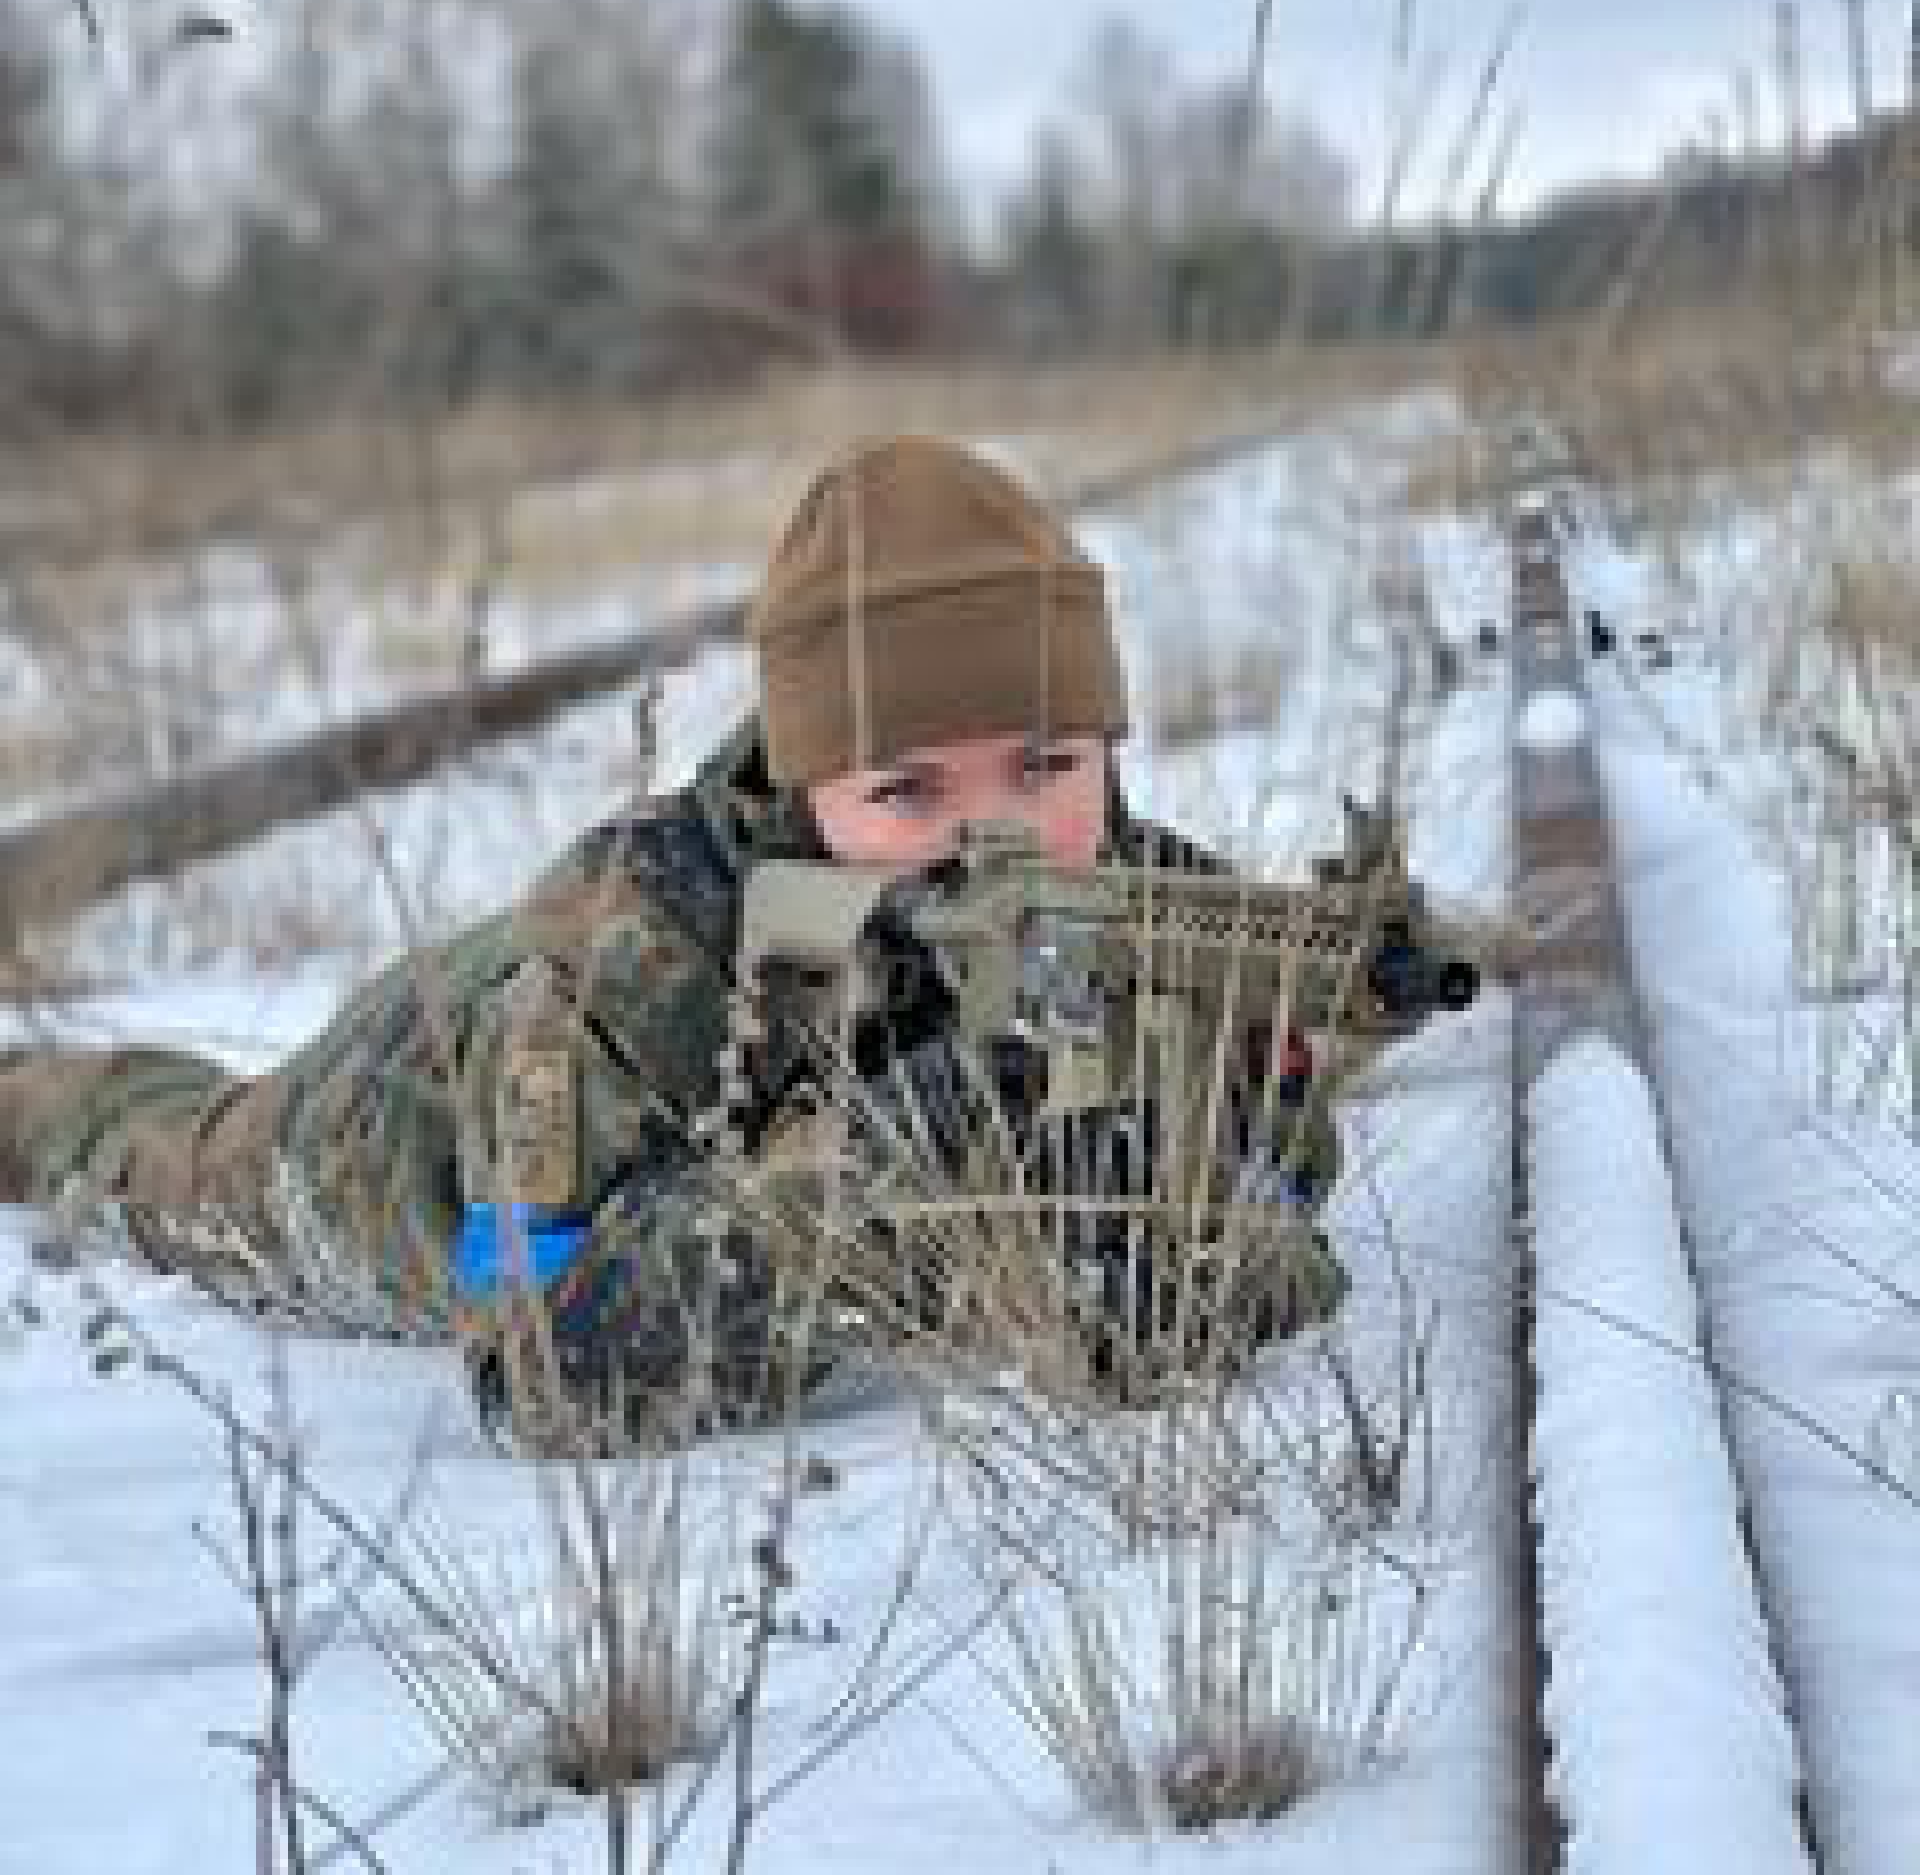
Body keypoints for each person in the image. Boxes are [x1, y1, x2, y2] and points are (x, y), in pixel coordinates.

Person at [0, 437, 1344, 1435]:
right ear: (805, 785)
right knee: (141, 1158)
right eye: (906, 790)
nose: (983, 832)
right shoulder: (640, 950)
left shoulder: (1127, 891)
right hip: (403, 1116)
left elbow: (1277, 1160)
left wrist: (1197, 1170)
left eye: (1043, 766)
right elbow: (532, 1367)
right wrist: (891, 1157)